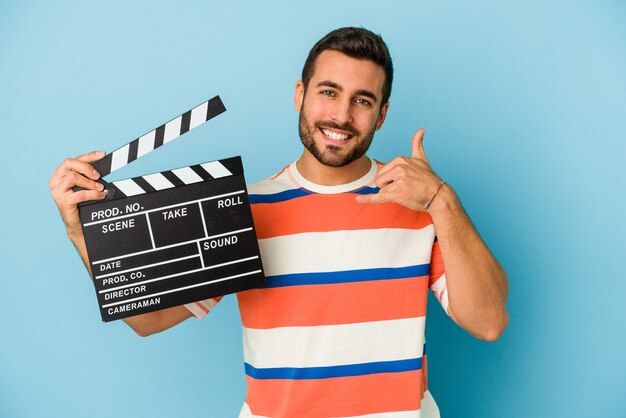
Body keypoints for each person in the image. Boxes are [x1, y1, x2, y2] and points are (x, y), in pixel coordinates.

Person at [50, 27, 508, 417]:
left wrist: (441, 201)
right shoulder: (245, 212)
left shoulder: (419, 206)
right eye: (329, 92)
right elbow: (148, 321)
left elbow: (488, 322)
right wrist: (79, 231)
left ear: (381, 115)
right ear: (300, 95)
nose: (341, 116)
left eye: (362, 100)